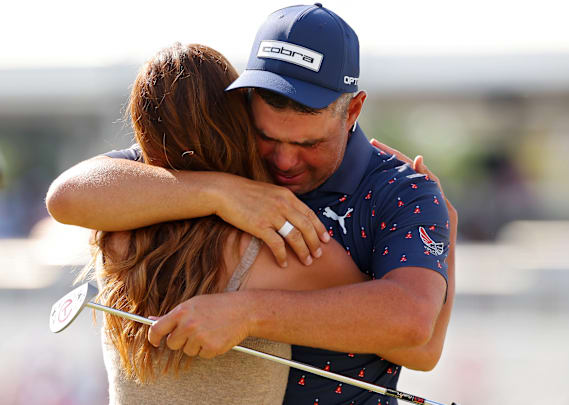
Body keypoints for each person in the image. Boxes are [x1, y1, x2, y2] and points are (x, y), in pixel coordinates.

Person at [46, 4, 457, 404]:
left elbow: (414, 329)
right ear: (244, 103)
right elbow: (67, 195)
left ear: (352, 109)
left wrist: (247, 314)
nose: (284, 161)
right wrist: (221, 192)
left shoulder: (402, 191)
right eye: (268, 137)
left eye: (308, 144)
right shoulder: (218, 156)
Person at [84, 42, 369, 404]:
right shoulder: (273, 245)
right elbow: (392, 322)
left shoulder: (111, 233)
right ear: (239, 119)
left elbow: (72, 193)